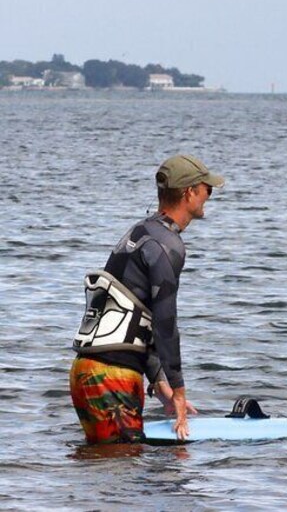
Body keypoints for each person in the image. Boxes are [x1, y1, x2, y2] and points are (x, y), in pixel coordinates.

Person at [69, 154, 224, 443]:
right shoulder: (168, 245)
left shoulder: (140, 232)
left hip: (86, 370)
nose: (208, 197)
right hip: (112, 377)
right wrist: (178, 391)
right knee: (121, 467)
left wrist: (161, 387)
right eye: (207, 189)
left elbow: (142, 318)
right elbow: (165, 324)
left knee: (103, 473)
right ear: (189, 192)